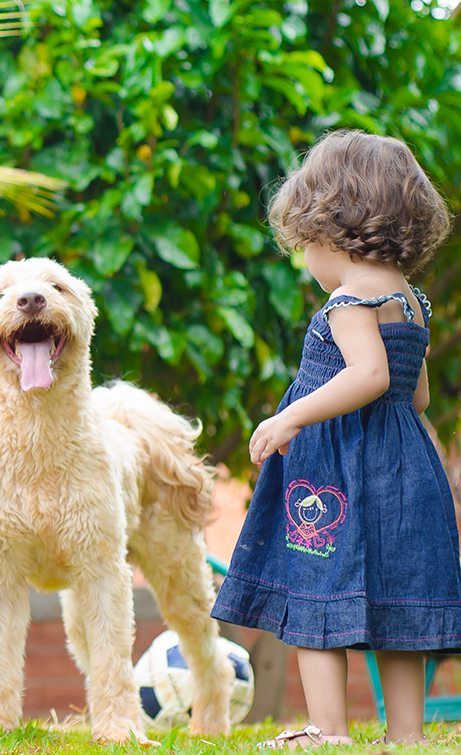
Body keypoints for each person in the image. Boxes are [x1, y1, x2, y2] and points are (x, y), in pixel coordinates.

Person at [211, 129, 456, 748]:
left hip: (339, 471)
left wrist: (292, 417)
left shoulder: (349, 299)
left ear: (328, 228)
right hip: (405, 467)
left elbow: (369, 374)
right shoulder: (412, 298)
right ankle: (406, 734)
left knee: (315, 590)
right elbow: (414, 393)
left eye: (303, 246)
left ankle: (328, 728)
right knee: (403, 605)